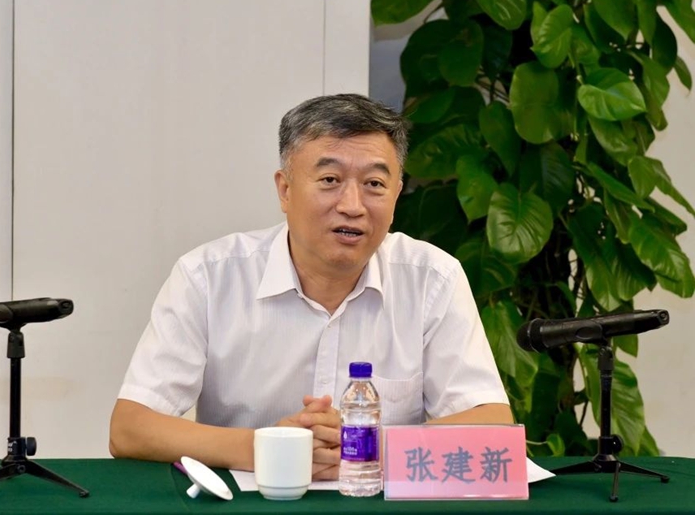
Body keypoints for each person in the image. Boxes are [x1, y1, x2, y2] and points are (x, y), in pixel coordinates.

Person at [109, 93, 512, 480]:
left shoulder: (432, 279)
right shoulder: (209, 277)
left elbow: (492, 424)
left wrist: (363, 445)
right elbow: (130, 428)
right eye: (330, 179)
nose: (352, 205)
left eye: (374, 184)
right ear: (285, 190)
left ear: (396, 195)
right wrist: (267, 448)